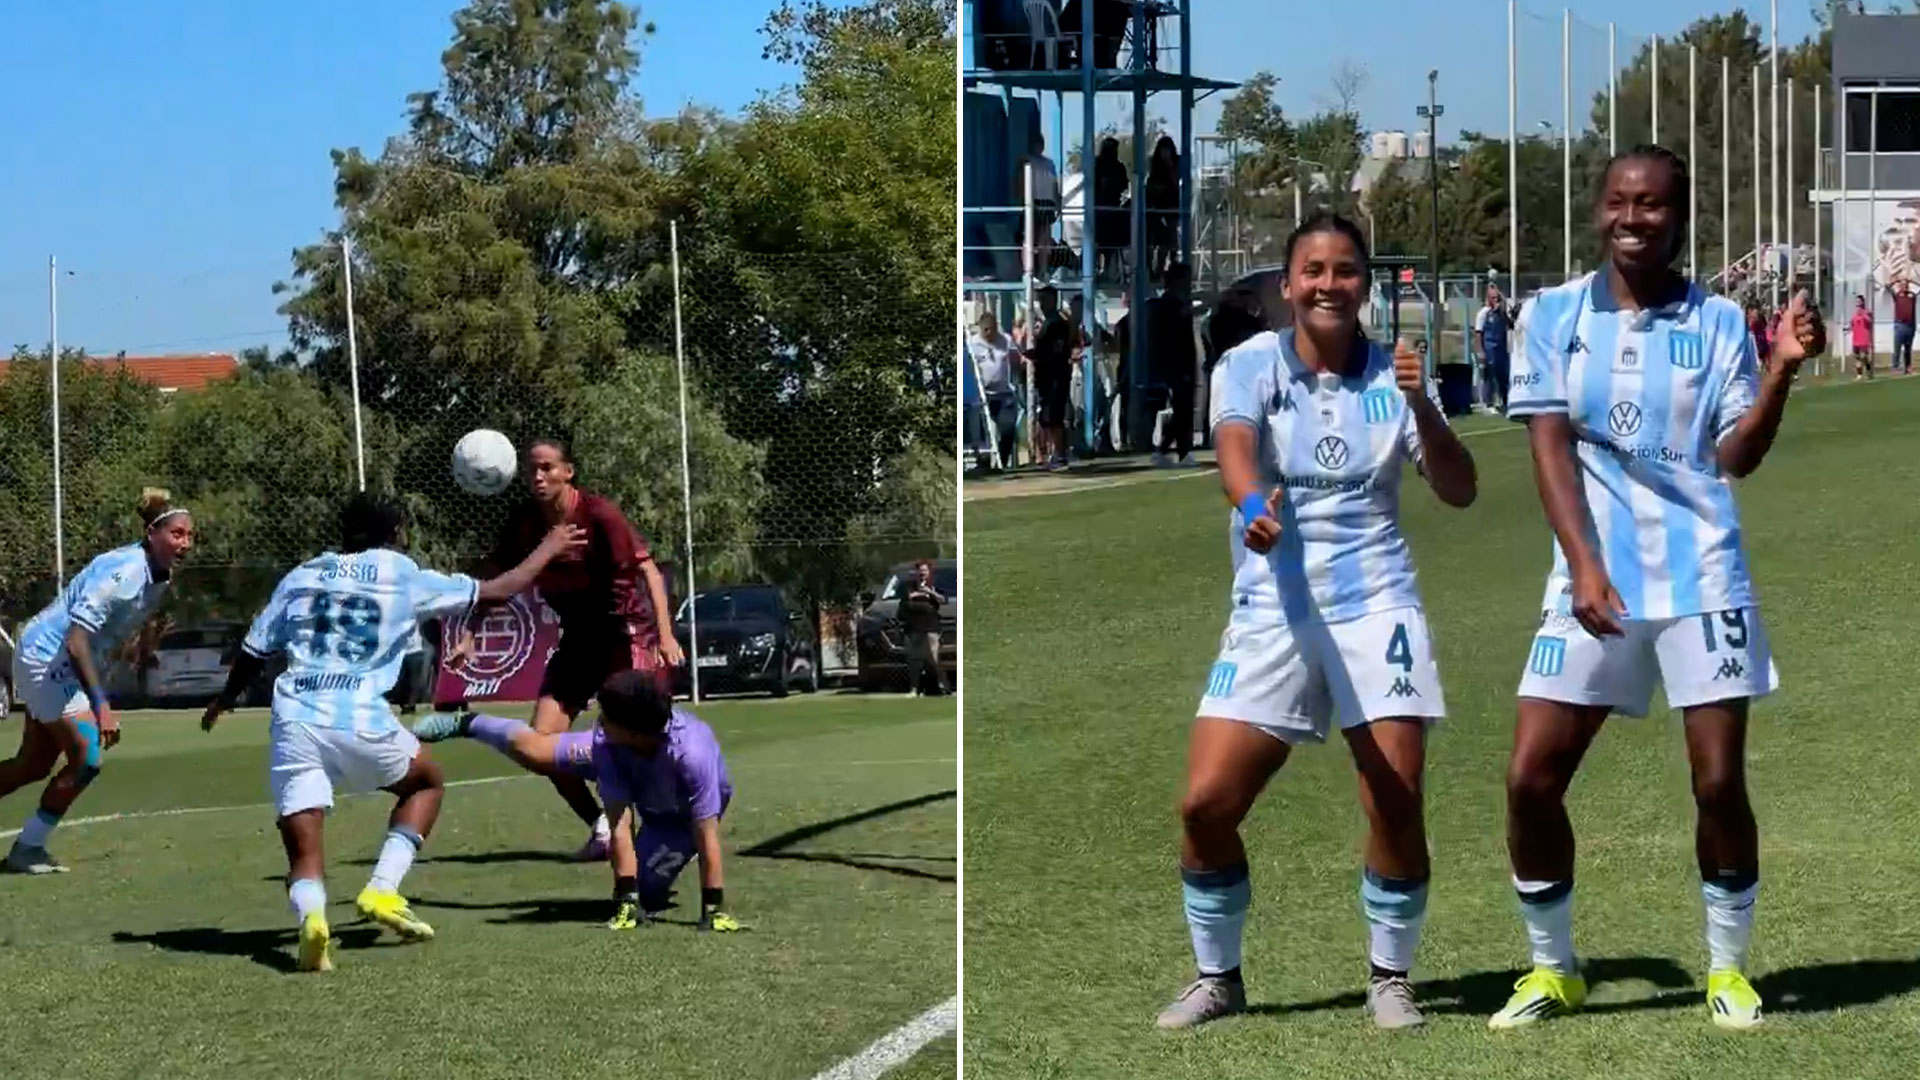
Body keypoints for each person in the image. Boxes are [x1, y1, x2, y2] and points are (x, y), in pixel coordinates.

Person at [1493, 145, 1823, 1032]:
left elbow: (1735, 457)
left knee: (1717, 783)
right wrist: (1586, 565)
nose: (1631, 219)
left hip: (1702, 577)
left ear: (1680, 218)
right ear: (1600, 210)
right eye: (1617, 203)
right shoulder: (1554, 315)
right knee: (1530, 778)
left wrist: (1783, 369)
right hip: (1592, 582)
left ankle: (1726, 969)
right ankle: (1553, 969)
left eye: (1651, 206)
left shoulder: (1717, 323)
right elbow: (1550, 450)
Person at [1156, 211, 1478, 1033]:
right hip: (1275, 607)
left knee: (1396, 795)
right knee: (1204, 806)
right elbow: (1233, 447)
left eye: (1345, 271)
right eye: (1313, 270)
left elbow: (1460, 489)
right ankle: (1217, 978)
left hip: (1377, 605)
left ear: (1364, 285)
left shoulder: (1395, 375)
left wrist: (1424, 407)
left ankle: (1390, 977)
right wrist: (1253, 502)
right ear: (1289, 285)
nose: (1329, 284)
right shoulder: (1249, 364)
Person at [201, 493, 584, 971]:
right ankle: (382, 888)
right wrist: (549, 547)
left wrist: (224, 699)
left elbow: (254, 651)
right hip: (360, 715)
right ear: (396, 531)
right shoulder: (401, 573)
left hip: (296, 717)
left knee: (303, 841)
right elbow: (498, 589)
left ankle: (313, 919)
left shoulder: (302, 575)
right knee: (425, 782)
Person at [462, 438, 685, 861]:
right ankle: (603, 825)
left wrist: (665, 634)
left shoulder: (600, 515)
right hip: (579, 642)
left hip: (624, 637)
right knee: (540, 746)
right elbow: (497, 579)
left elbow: (648, 571)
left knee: (644, 742)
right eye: (532, 470)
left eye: (547, 468)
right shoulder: (525, 524)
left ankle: (669, 826)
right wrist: (472, 631)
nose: (538, 477)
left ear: (569, 471)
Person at [410, 670, 740, 933]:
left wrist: (714, 908)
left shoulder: (693, 754)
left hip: (677, 824)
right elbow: (619, 825)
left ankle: (653, 874)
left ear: (633, 730)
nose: (598, 722)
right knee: (536, 752)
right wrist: (626, 899)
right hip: (624, 762)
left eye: (606, 718)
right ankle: (468, 723)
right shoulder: (607, 742)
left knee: (650, 892)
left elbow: (705, 832)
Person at [0, 489, 192, 873]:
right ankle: (28, 848)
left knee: (32, 766)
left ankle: (28, 848)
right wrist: (101, 705)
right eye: (177, 534)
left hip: (58, 664)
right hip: (47, 658)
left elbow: (113, 633)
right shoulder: (125, 572)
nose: (185, 543)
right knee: (87, 758)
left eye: (190, 535)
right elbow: (75, 641)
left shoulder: (159, 576)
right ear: (153, 533)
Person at [1143, 262, 1198, 466]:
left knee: (1183, 409)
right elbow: (1170, 338)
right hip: (1176, 364)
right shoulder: (1168, 305)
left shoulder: (1176, 304)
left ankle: (1177, 450)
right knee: (1181, 408)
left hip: (1182, 363)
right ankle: (1172, 450)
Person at [1026, 288, 1077, 470]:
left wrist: (1035, 354)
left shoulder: (1055, 323)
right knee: (1047, 417)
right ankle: (1048, 454)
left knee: (1054, 416)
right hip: (1051, 376)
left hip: (1055, 375)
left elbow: (1053, 351)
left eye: (1044, 300)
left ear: (1052, 300)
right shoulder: (1053, 322)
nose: (1041, 304)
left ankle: (1060, 454)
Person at [968, 308, 1023, 470]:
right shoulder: (973, 344)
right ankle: (982, 462)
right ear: (980, 328)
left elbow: (1015, 360)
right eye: (986, 330)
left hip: (1003, 393)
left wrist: (1018, 367)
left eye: (992, 329)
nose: (989, 333)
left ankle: (1001, 463)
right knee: (982, 432)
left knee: (1008, 428)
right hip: (982, 395)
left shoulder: (1005, 340)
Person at [900, 560, 949, 696]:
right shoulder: (909, 585)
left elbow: (943, 600)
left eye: (925, 570)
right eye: (920, 571)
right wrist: (919, 595)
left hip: (931, 627)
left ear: (929, 572)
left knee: (933, 658)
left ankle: (942, 686)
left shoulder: (934, 585)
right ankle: (914, 689)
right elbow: (908, 598)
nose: (922, 573)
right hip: (913, 627)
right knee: (914, 659)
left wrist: (931, 593)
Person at [1473, 285, 1515, 413]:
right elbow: (1478, 333)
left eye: (1497, 298)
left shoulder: (1501, 313)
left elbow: (1511, 325)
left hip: (1501, 348)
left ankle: (1506, 401)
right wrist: (1481, 351)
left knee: (1504, 375)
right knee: (1489, 376)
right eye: (1493, 298)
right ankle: (1488, 403)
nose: (1496, 300)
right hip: (1489, 348)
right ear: (1488, 298)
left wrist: (1506, 311)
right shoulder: (1483, 313)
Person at [1891, 278, 1916, 375]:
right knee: (1897, 347)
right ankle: (1895, 367)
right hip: (1900, 324)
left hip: (1910, 325)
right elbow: (1887, 287)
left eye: (1905, 284)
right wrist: (1895, 281)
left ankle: (1908, 368)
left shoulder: (1912, 295)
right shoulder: (1897, 295)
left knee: (1908, 348)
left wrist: (1912, 281)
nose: (1904, 286)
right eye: (1902, 285)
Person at [1851, 294, 1873, 379]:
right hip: (1856, 338)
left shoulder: (1867, 311)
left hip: (1864, 338)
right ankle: (1859, 374)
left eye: (1859, 301)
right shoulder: (1855, 313)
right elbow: (1852, 323)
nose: (1858, 303)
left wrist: (1863, 315)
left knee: (1863, 356)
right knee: (1857, 357)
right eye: (1857, 301)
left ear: (1863, 302)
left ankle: (1868, 367)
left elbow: (1870, 321)